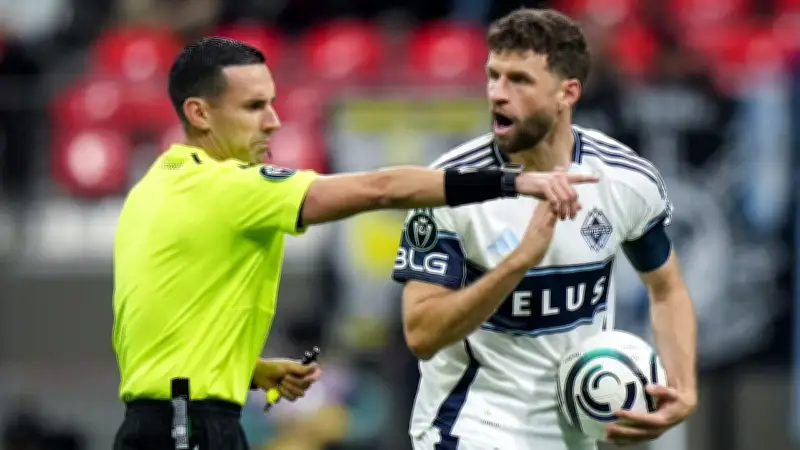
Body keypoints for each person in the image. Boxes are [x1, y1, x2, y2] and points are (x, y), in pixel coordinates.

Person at [111, 36, 598, 450]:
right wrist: (511, 183)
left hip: (163, 419)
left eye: (273, 103)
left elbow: (157, 328)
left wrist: (248, 369)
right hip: (189, 424)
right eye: (254, 106)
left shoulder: (152, 189)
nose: (274, 121)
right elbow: (379, 189)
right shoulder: (227, 186)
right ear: (199, 114)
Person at [392, 8, 698, 450]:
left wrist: (684, 388)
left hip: (576, 437)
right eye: (493, 76)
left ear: (567, 93)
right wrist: (518, 263)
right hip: (467, 430)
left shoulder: (624, 179)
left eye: (519, 80)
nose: (497, 93)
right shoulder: (447, 187)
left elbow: (667, 288)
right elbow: (421, 333)